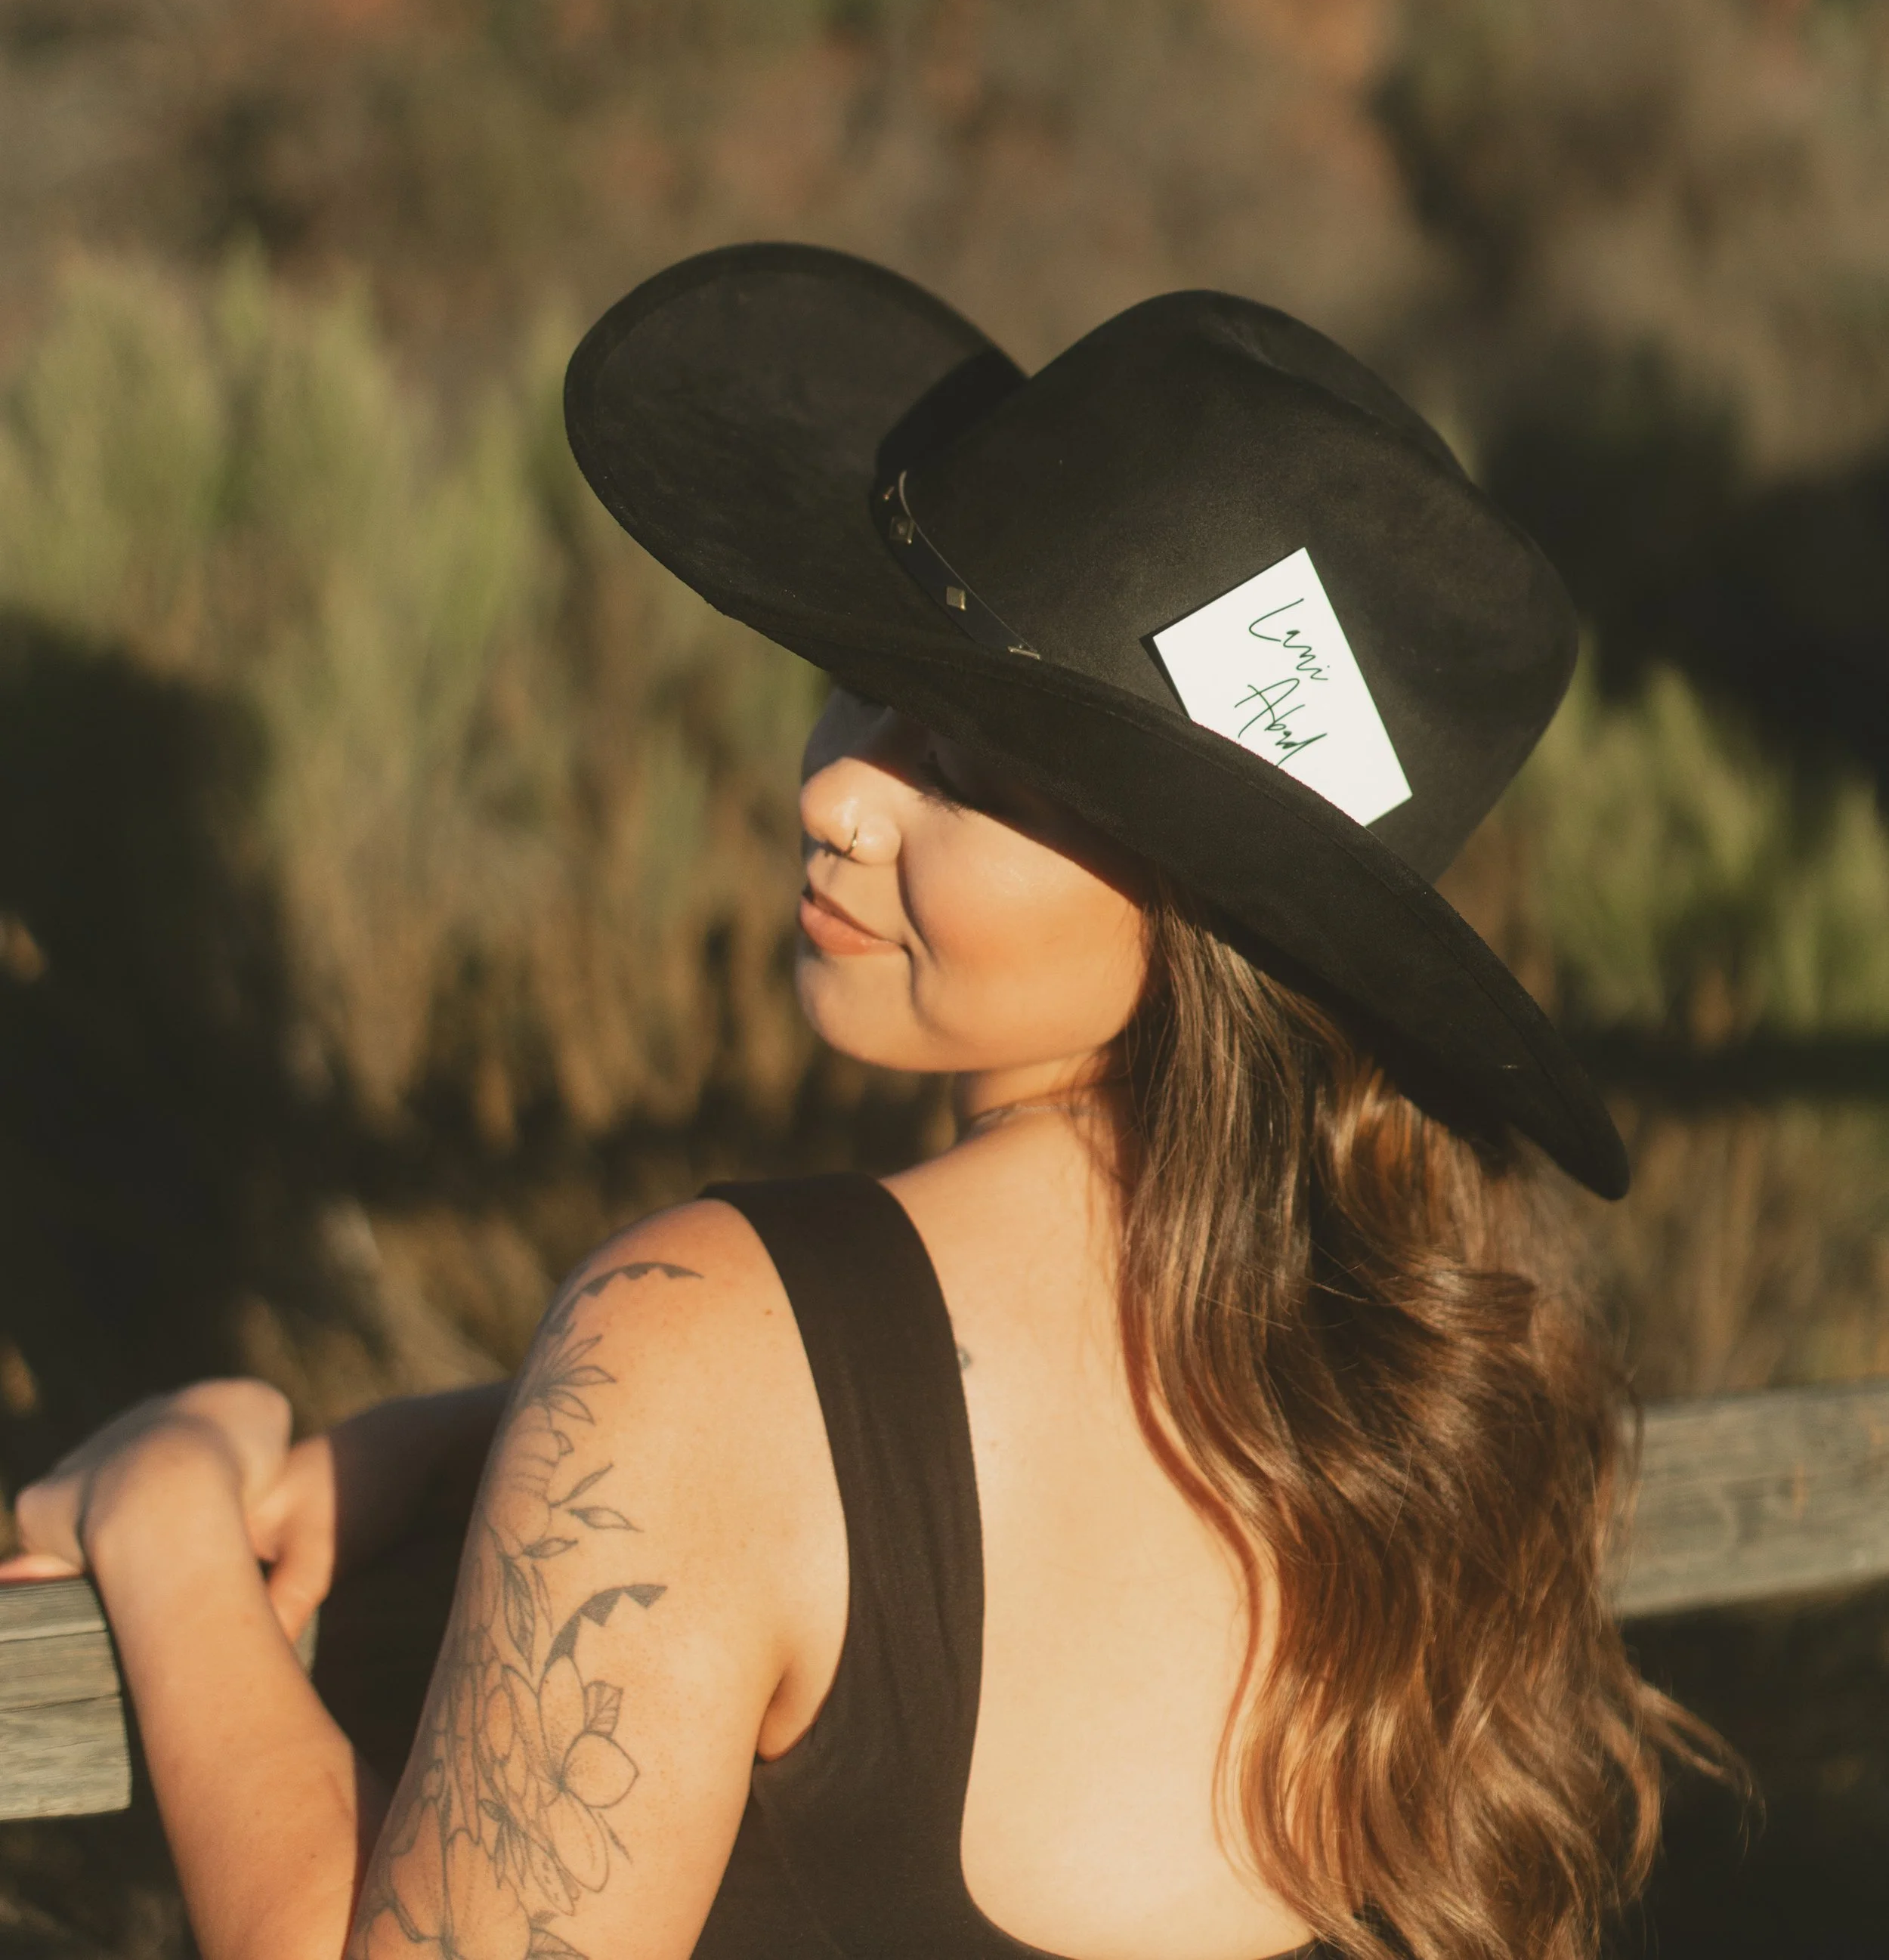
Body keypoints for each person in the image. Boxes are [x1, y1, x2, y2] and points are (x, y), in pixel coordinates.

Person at [2, 246, 1707, 1960]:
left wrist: (162, 1529)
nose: (837, 790)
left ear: (1208, 908)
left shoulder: (709, 1351)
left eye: (964, 765)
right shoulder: (1433, 1417)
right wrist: (506, 1437)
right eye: (865, 689)